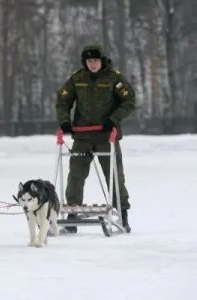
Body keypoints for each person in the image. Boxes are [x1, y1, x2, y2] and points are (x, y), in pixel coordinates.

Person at [55, 44, 135, 233]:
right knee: (76, 174)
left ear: (102, 61)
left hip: (107, 136)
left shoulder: (114, 78)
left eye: (95, 60)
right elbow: (63, 100)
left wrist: (113, 119)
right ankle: (72, 214)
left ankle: (122, 214)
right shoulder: (77, 78)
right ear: (85, 62)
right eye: (89, 61)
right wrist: (65, 121)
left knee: (114, 175)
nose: (92, 64)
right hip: (82, 135)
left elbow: (129, 100)